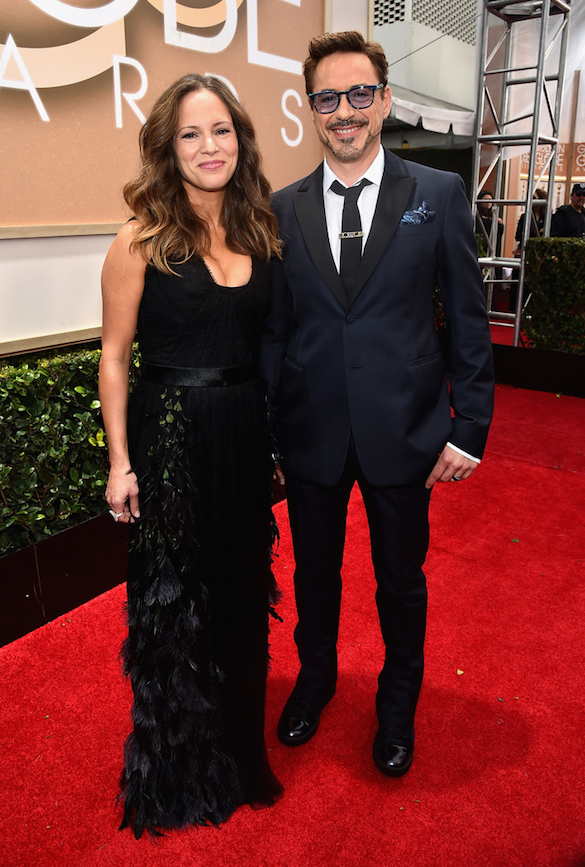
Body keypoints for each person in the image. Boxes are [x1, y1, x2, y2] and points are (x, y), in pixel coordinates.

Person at [261, 32, 494, 779]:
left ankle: (397, 711)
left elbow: (466, 316)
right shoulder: (281, 207)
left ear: (385, 100)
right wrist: (268, 428)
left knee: (401, 579)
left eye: (360, 93)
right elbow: (275, 329)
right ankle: (317, 680)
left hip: (407, 430)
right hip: (311, 432)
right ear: (311, 110)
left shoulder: (437, 194)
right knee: (315, 575)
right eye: (328, 98)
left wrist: (472, 426)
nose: (345, 111)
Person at [99, 74, 283, 838]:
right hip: (170, 436)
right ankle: (179, 770)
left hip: (241, 435)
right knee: (176, 609)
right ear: (167, 149)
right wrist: (119, 461)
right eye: (190, 134)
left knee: (243, 599)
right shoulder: (138, 237)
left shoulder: (260, 230)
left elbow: (268, 350)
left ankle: (242, 751)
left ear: (240, 140)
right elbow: (113, 357)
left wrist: (271, 442)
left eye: (221, 131)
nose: (210, 147)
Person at [476, 189, 504, 256]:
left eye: (490, 200)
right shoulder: (476, 217)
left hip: (493, 250)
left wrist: (500, 224)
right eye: (485, 200)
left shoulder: (494, 216)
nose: (488, 202)